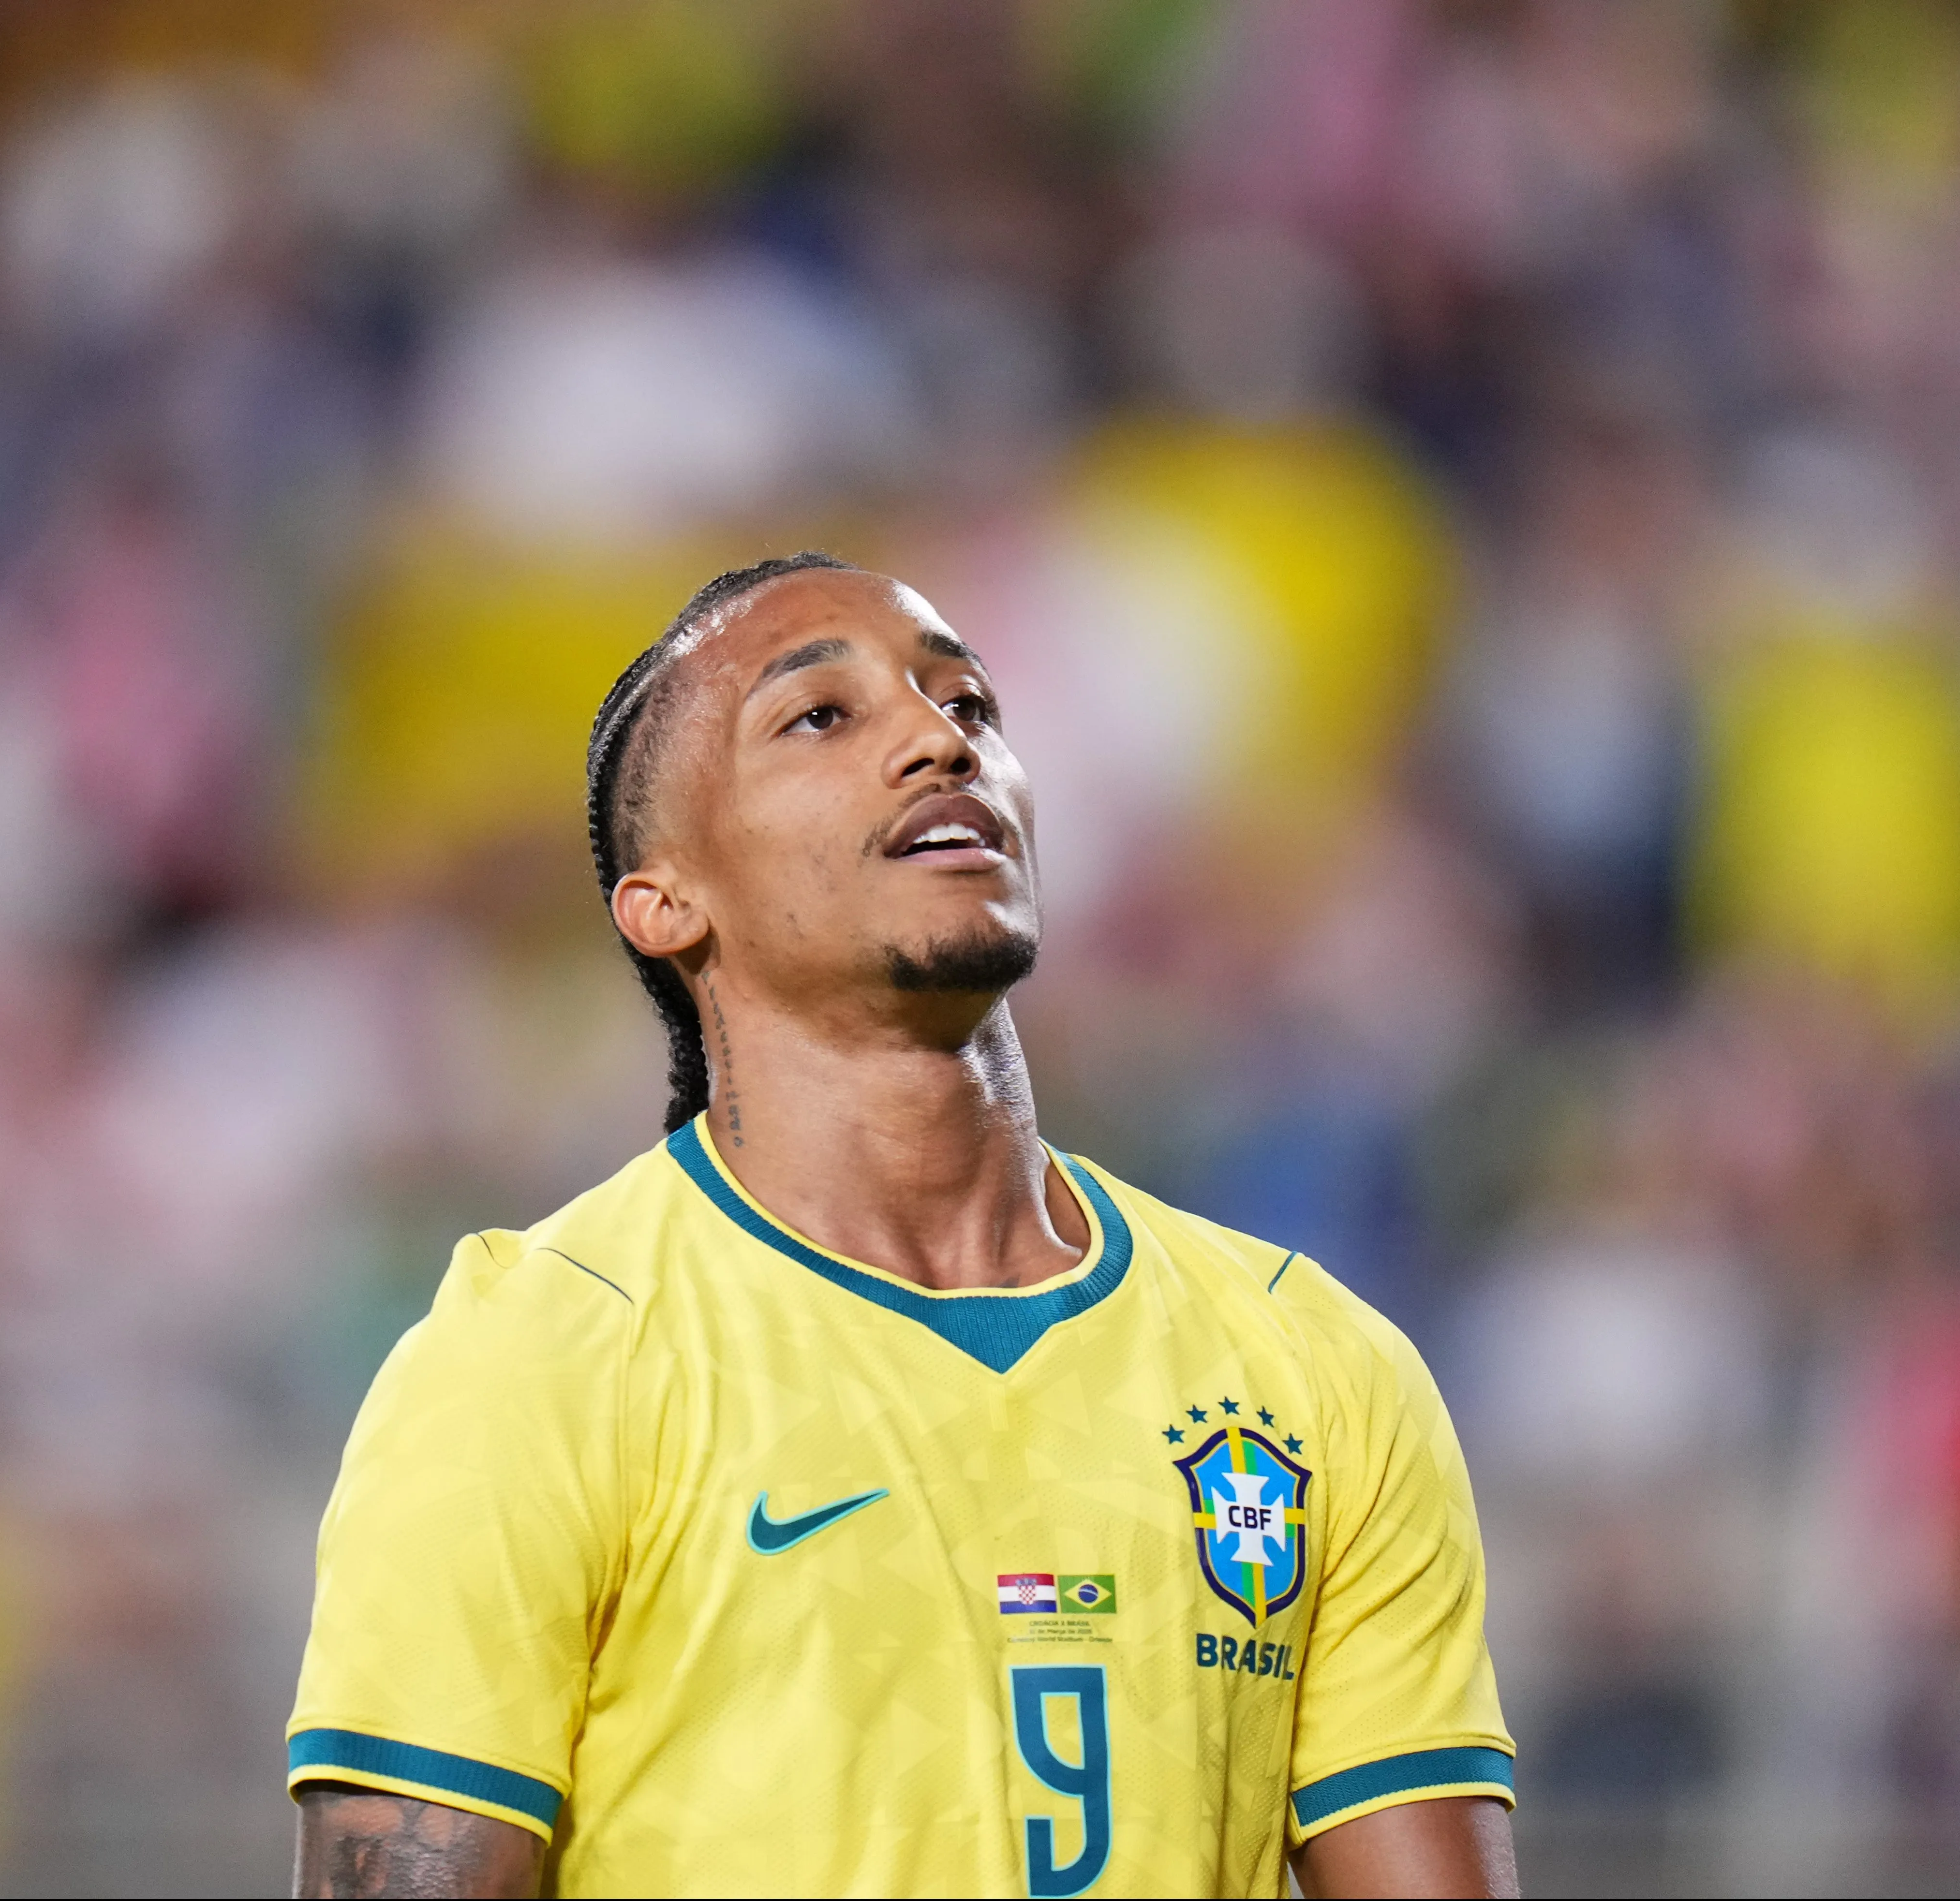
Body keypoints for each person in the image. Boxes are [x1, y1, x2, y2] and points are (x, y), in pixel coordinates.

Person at [285, 554, 1516, 1898]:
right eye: (821, 717)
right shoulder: (538, 1362)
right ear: (665, 899)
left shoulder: (1313, 1370)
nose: (940, 741)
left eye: (969, 706)